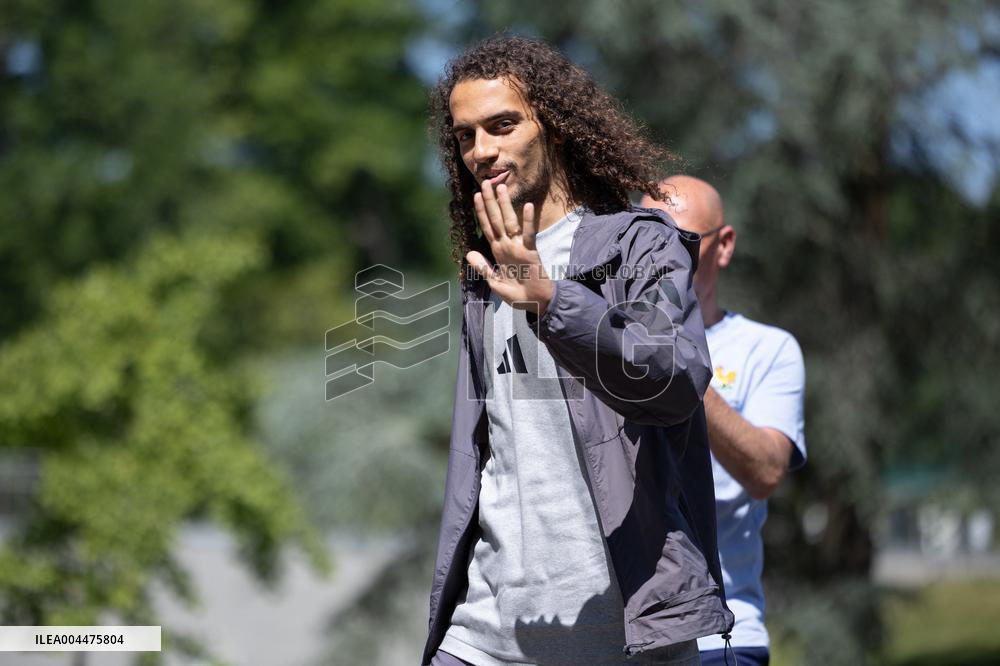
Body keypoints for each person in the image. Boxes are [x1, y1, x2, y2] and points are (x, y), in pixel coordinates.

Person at [423, 36, 734, 666]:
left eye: (502, 125)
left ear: (556, 128)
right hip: (484, 635)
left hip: (627, 638)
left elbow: (674, 381)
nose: (481, 151)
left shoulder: (640, 246)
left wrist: (551, 302)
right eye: (465, 136)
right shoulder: (483, 272)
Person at [640, 176, 807, 666]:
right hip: (614, 640)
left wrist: (678, 365)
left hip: (720, 637)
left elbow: (766, 471)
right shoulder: (604, 344)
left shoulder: (767, 349)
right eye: (643, 240)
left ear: (724, 245)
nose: (660, 259)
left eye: (681, 243)